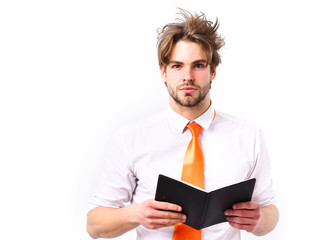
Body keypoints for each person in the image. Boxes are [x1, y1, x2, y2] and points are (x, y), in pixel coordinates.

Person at [86, 9, 279, 240]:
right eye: (177, 66)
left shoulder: (249, 136)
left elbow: (269, 210)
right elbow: (94, 226)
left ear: (213, 71)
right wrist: (135, 214)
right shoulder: (131, 138)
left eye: (198, 65)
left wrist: (259, 220)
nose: (187, 76)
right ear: (163, 72)